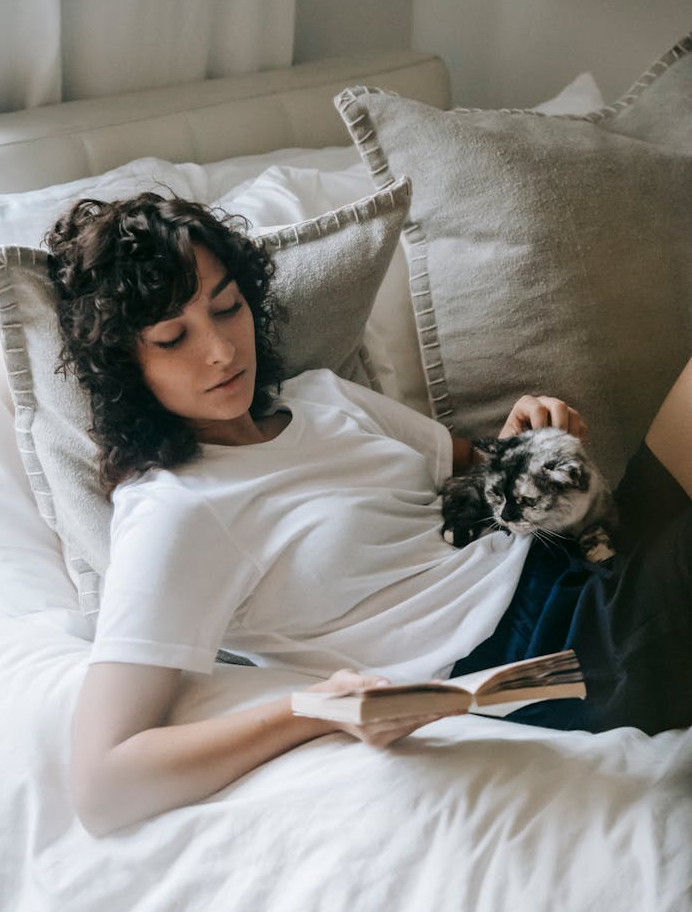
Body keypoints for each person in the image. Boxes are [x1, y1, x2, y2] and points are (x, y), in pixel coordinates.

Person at [46, 193, 692, 836]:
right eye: (173, 337)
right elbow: (104, 783)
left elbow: (476, 466)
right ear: (126, 363)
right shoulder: (174, 510)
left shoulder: (321, 397)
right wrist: (313, 710)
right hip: (549, 650)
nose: (219, 349)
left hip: (578, 545)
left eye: (227, 306)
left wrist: (525, 430)